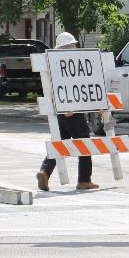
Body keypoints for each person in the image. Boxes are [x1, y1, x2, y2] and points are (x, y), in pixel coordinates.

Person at [36, 32, 99, 191]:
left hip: (61, 110)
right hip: (72, 109)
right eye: (72, 46)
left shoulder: (54, 64)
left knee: (60, 142)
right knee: (84, 141)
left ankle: (45, 171)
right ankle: (84, 180)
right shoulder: (72, 64)